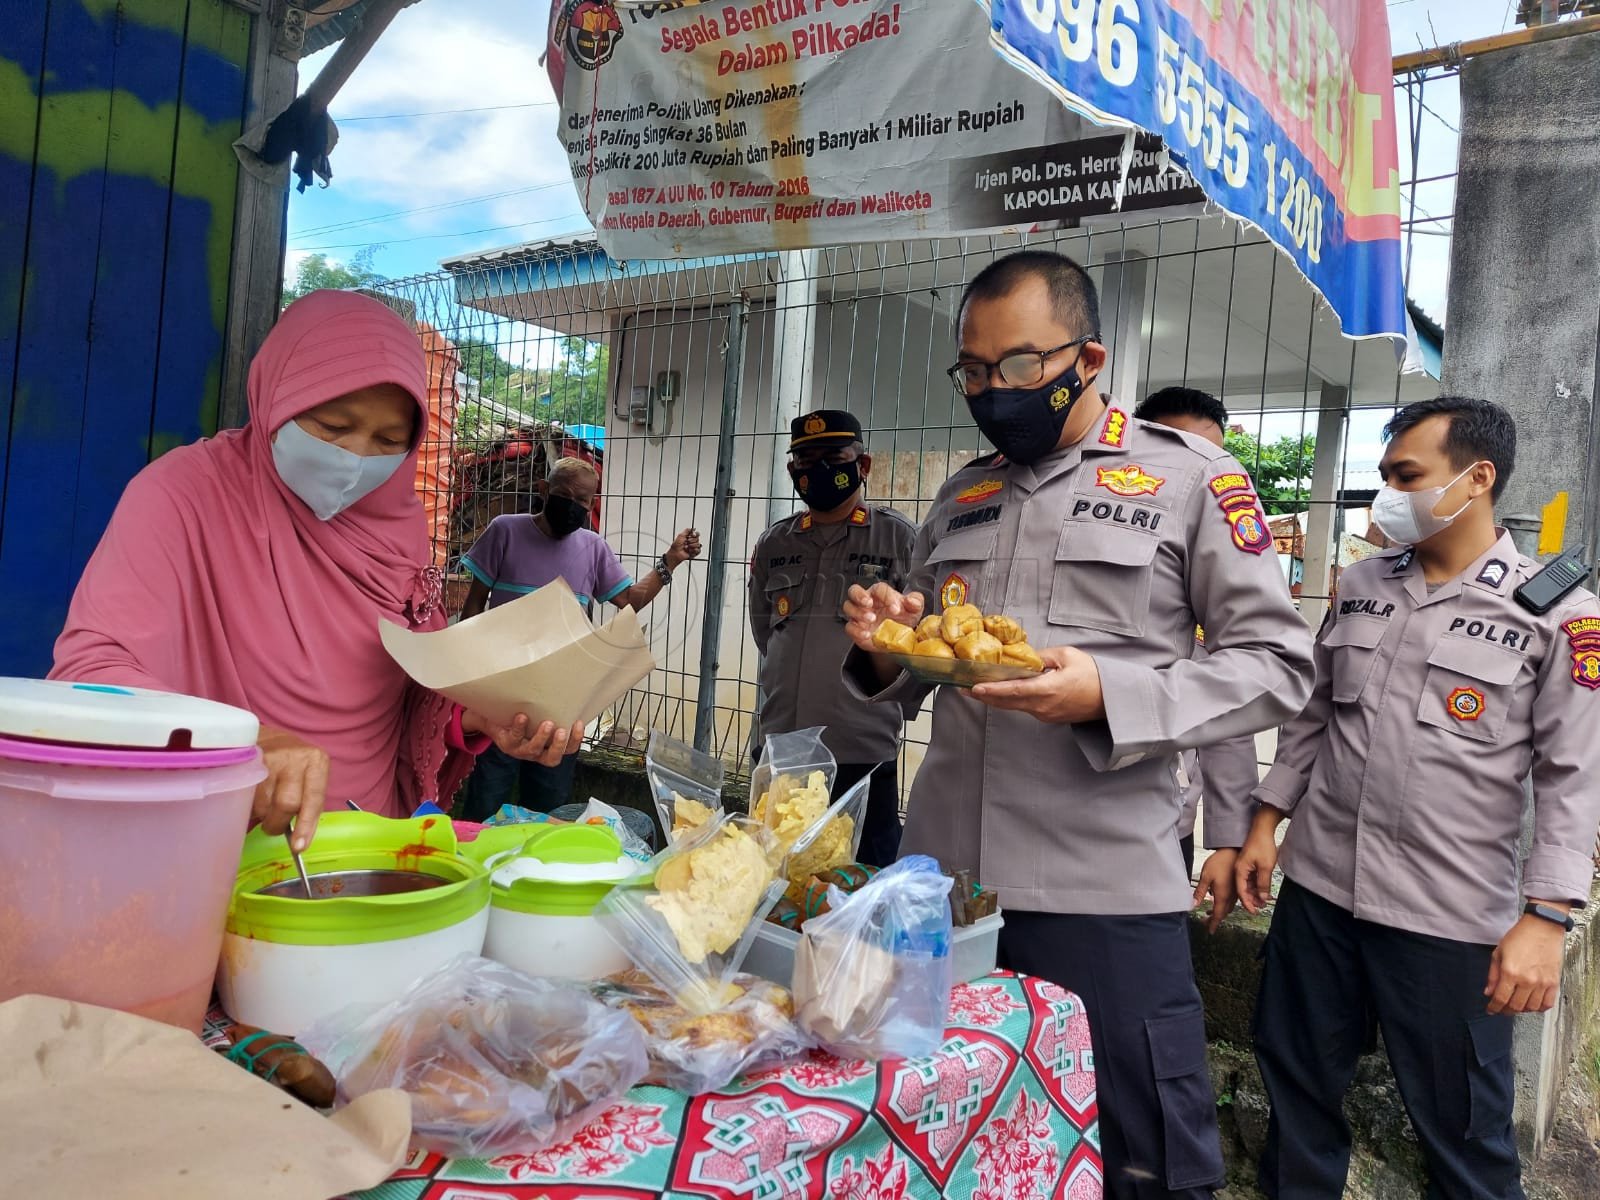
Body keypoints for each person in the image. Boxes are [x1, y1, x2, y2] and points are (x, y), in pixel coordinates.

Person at [842, 250, 1315, 1199]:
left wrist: (1112, 692)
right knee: (951, 1140)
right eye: (972, 372)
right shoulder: (963, 494)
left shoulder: (1191, 481)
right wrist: (892, 646)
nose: (991, 391)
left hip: (1099, 895)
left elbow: (1277, 666)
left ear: (1087, 358)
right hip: (947, 893)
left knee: (1137, 1162)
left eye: (1015, 366)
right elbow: (925, 671)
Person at [51, 290, 582, 850]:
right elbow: (91, 671)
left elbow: (404, 697)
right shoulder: (183, 496)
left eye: (388, 440)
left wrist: (480, 719)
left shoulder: (398, 533)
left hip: (369, 850)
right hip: (207, 855)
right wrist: (238, 743)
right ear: (277, 395)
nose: (354, 458)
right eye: (332, 426)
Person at [1235, 397, 1600, 1200]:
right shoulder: (1364, 583)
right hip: (1321, 894)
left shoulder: (1557, 612)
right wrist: (1266, 820)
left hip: (1448, 918)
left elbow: (1574, 772)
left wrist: (1546, 917)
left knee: (1466, 1137)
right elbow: (1315, 715)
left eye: (1406, 476)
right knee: (1295, 1102)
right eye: (1383, 476)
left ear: (1478, 478)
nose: (1386, 496)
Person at [457, 457, 700, 817]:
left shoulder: (593, 548)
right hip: (502, 694)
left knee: (549, 806)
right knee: (486, 798)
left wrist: (670, 561)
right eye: (564, 495)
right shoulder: (504, 531)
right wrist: (469, 675)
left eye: (583, 500)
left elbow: (629, 601)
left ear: (592, 503)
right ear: (543, 490)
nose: (573, 506)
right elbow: (474, 606)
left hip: (561, 700)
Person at [747, 409, 917, 867]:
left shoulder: (899, 540)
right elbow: (767, 634)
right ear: (791, 472)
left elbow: (909, 647)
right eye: (805, 460)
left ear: (862, 466)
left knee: (861, 881)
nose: (817, 469)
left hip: (859, 752)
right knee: (775, 879)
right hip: (781, 749)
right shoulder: (774, 544)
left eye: (833, 457)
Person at [1133, 387, 1264, 906]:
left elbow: (1229, 713)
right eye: (1180, 452)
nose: (1201, 472)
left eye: (1214, 456)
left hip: (1166, 824)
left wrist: (1230, 838)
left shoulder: (1218, 563)